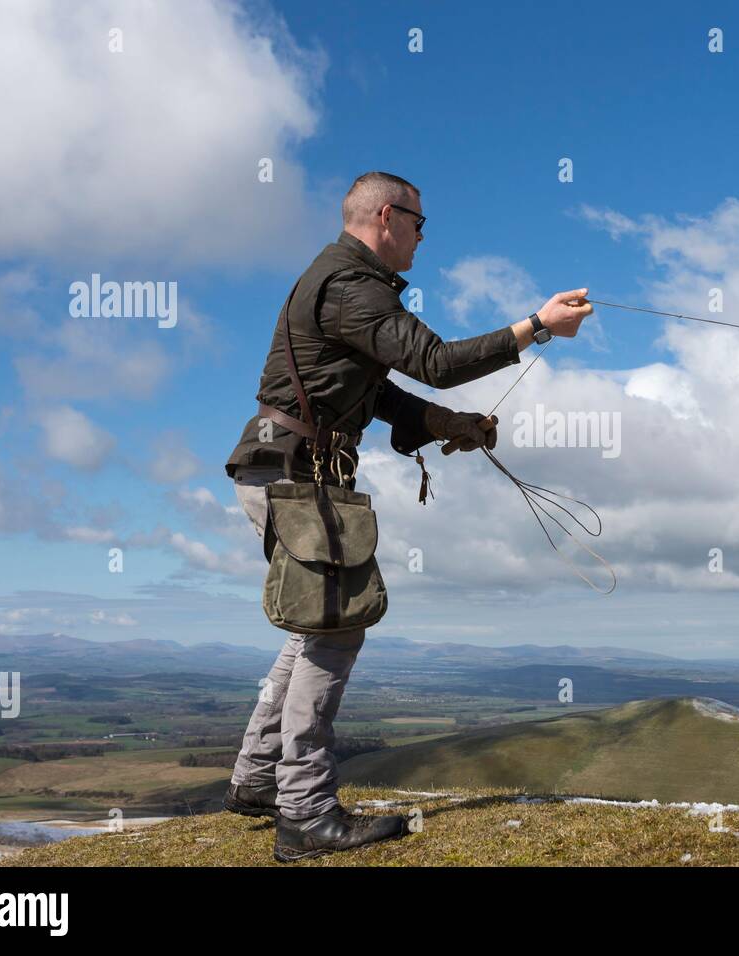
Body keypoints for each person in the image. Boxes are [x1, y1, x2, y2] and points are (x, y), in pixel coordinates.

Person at [222, 171, 593, 861]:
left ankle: (257, 781)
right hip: (296, 476)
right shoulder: (350, 285)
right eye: (420, 224)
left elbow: (382, 393)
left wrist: (449, 423)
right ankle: (303, 811)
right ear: (388, 216)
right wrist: (537, 326)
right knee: (336, 629)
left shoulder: (342, 286)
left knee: (316, 626)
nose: (424, 237)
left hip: (280, 469)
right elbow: (435, 361)